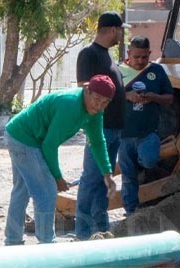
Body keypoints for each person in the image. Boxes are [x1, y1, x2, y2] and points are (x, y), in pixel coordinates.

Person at [3, 76, 117, 245]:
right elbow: (49, 145)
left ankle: (12, 241)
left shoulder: (95, 112)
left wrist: (107, 173)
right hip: (24, 138)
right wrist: (58, 178)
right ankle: (47, 242)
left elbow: (98, 141)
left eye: (105, 103)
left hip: (20, 134)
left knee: (22, 190)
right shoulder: (70, 105)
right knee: (47, 190)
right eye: (96, 99)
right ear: (87, 91)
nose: (99, 106)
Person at [74, 11, 129, 240]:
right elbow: (83, 90)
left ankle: (101, 229)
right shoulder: (89, 54)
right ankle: (83, 233)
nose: (122, 35)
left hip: (115, 129)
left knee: (103, 182)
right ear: (113, 30)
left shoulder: (108, 56)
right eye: (120, 30)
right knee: (91, 179)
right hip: (100, 130)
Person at [118, 36, 174, 216]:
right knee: (128, 178)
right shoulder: (119, 71)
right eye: (136, 57)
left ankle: (141, 164)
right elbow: (109, 98)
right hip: (124, 135)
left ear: (149, 54)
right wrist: (127, 96)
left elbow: (169, 98)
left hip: (148, 133)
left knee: (149, 160)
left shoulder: (157, 71)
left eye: (144, 57)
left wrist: (152, 97)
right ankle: (131, 213)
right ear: (129, 54)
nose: (140, 61)